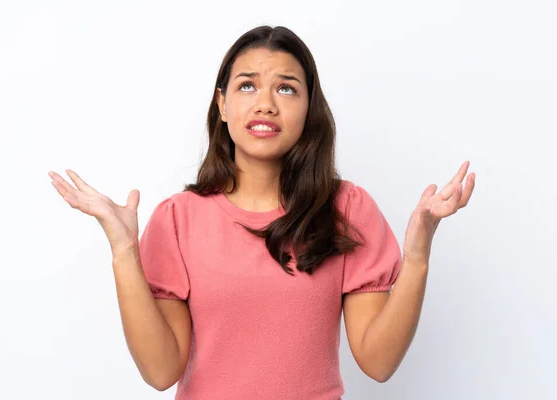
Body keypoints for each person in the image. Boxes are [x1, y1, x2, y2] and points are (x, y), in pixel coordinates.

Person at [48, 25, 475, 400]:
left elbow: (378, 363)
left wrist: (418, 254)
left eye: (286, 87)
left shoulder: (347, 208)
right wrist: (125, 252)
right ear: (222, 104)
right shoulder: (178, 218)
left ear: (309, 108)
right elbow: (160, 373)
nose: (266, 104)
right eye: (247, 86)